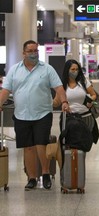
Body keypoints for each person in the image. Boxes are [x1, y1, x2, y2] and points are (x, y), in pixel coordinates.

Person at [0, 40, 69, 190]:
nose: (33, 54)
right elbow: (5, 90)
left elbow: (59, 87)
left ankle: (45, 173)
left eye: (36, 51)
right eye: (30, 51)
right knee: (28, 147)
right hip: (21, 114)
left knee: (40, 144)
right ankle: (31, 178)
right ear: (23, 53)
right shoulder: (14, 70)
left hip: (42, 113)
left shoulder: (47, 69)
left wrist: (64, 101)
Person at [53, 59, 99, 144]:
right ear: (67, 70)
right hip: (69, 119)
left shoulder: (83, 82)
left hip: (86, 117)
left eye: (77, 69)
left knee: (84, 144)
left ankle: (81, 157)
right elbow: (56, 102)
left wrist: (91, 101)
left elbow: (94, 95)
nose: (75, 71)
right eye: (73, 69)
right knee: (70, 144)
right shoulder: (62, 85)